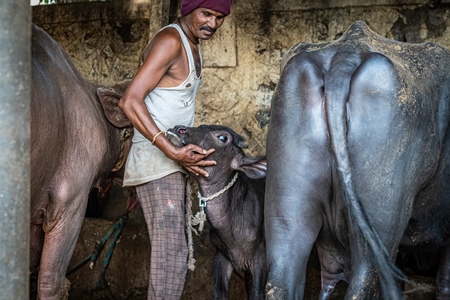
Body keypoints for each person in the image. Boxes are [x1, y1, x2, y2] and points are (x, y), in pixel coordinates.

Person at [118, 0, 233, 299]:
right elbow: (130, 101)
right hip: (160, 161)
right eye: (206, 13)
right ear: (188, 8)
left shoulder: (191, 44)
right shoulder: (170, 41)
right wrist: (170, 150)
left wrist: (176, 154)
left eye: (219, 17)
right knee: (171, 255)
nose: (212, 23)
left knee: (176, 253)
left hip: (170, 161)